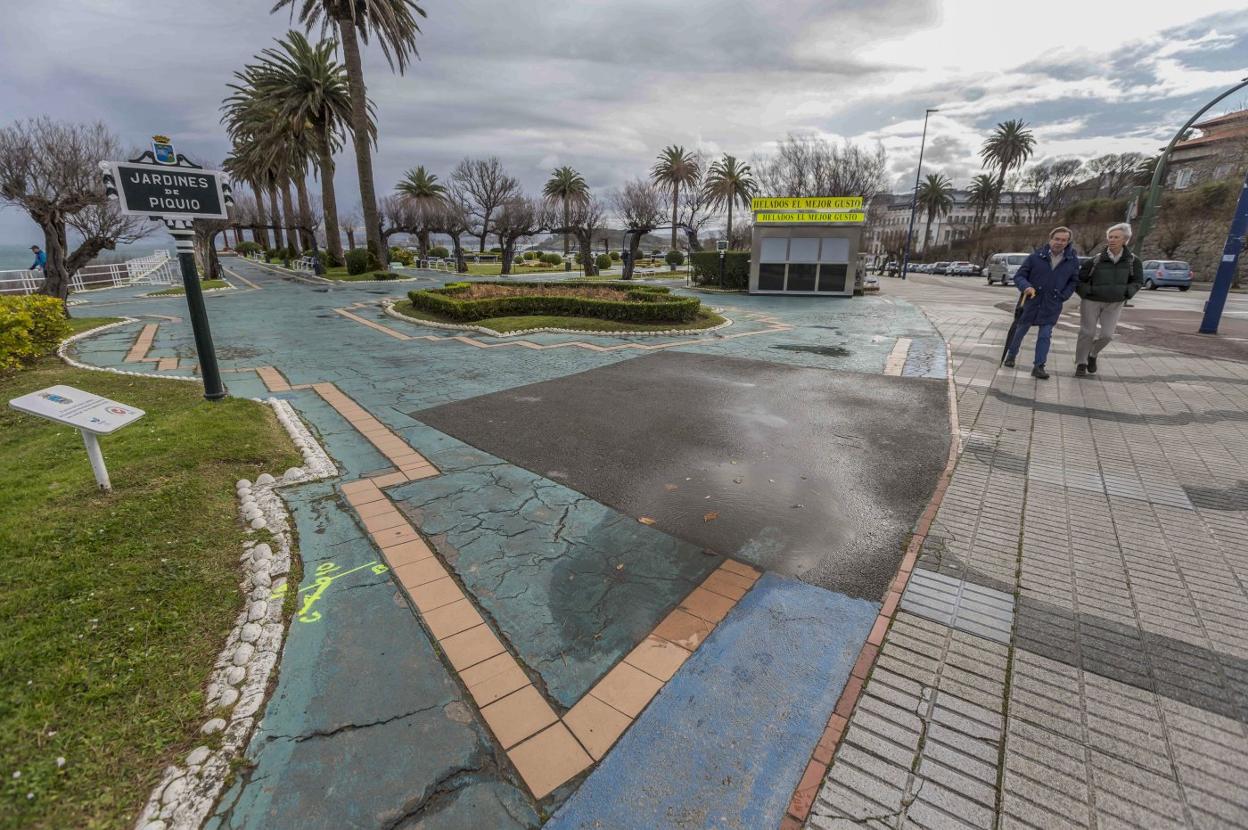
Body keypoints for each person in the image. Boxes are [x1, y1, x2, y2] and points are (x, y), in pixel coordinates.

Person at [1004, 226, 1080, 379]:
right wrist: (1026, 287)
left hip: (1052, 304)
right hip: (1031, 301)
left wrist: (1063, 295)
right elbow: (1019, 276)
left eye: (1063, 240)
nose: (1059, 242)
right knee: (1020, 331)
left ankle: (1039, 366)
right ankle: (1011, 355)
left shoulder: (1071, 261)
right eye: (1057, 239)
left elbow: (1073, 281)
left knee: (1045, 335)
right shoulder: (1035, 257)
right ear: (1050, 239)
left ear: (1067, 242)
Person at [1074, 222, 1143, 377]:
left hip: (1115, 302)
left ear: (1125, 239)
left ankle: (1093, 353)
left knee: (1107, 335)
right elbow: (1079, 279)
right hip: (1092, 301)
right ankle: (1081, 363)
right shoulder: (1095, 260)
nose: (1112, 240)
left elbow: (1138, 281)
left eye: (1116, 237)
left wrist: (1126, 293)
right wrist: (1087, 292)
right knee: (1087, 332)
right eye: (1110, 237)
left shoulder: (1133, 261)